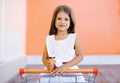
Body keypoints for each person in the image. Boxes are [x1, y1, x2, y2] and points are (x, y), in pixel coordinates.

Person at [42, 5, 85, 82]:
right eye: (59, 19)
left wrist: (65, 66)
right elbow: (44, 58)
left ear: (70, 22)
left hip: (70, 71)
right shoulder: (49, 39)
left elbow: (80, 56)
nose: (62, 22)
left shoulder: (73, 37)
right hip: (53, 72)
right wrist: (48, 64)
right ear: (54, 21)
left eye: (66, 19)